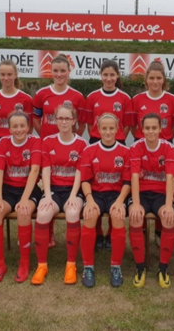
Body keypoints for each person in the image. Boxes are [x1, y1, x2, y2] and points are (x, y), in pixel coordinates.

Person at [32, 54, 87, 249]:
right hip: (47, 147)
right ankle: (49, 232)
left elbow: (82, 123)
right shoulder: (41, 94)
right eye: (55, 71)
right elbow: (36, 118)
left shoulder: (77, 96)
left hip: (69, 145)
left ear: (69, 71)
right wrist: (44, 135)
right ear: (51, 72)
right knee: (48, 184)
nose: (59, 74)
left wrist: (74, 137)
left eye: (63, 70)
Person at [31, 104, 88, 285]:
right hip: (54, 189)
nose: (64, 122)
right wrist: (47, 195)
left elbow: (80, 172)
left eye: (67, 118)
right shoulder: (47, 141)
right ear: (55, 120)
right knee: (42, 213)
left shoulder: (81, 143)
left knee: (72, 213)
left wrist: (73, 195)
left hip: (74, 190)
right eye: (60, 118)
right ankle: (42, 265)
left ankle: (70, 264)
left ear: (74, 121)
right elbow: (46, 170)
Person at [0, 112, 42, 284]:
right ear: (9, 128)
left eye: (22, 126)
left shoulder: (35, 141)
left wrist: (25, 199)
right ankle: (0, 264)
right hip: (8, 190)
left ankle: (24, 262)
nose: (19, 129)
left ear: (28, 127)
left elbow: (34, 171)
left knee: (24, 212)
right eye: (14, 126)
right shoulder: (2, 142)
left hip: (29, 190)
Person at [84, 60, 133, 250]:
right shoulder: (93, 96)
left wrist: (119, 138)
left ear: (117, 76)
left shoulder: (124, 98)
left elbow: (127, 124)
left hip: (117, 142)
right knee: (97, 185)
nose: (109, 78)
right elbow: (89, 123)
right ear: (100, 75)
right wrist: (96, 138)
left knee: (116, 185)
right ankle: (97, 234)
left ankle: (113, 232)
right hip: (96, 142)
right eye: (105, 75)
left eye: (112, 75)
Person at [79, 113, 131, 288]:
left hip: (117, 194)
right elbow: (85, 180)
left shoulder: (125, 152)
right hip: (96, 194)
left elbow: (127, 181)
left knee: (117, 217)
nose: (108, 132)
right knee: (90, 215)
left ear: (117, 129)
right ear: (98, 129)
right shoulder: (89, 150)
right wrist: (89, 199)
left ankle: (116, 266)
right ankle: (88, 267)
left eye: (111, 128)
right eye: (104, 128)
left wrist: (120, 200)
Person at [131, 61, 174, 248]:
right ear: (146, 79)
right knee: (143, 182)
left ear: (164, 79)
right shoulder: (137, 99)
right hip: (141, 145)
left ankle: (160, 231)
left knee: (161, 182)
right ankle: (141, 229)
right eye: (151, 78)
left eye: (159, 78)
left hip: (164, 145)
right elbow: (133, 124)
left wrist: (165, 139)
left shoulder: (172, 99)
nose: (155, 81)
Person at [128, 113, 174, 288]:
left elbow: (170, 178)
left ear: (160, 128)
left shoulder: (169, 148)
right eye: (147, 128)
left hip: (160, 194)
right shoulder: (135, 147)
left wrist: (169, 205)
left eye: (154, 128)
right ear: (142, 129)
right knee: (135, 217)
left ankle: (163, 268)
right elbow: (134, 177)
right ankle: (140, 268)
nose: (150, 131)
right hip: (140, 193)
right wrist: (135, 203)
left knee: (168, 218)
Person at [0, 60, 33, 143]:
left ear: (15, 75)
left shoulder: (26, 99)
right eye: (2, 74)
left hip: (19, 141)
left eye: (9, 74)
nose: (6, 78)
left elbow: (30, 125)